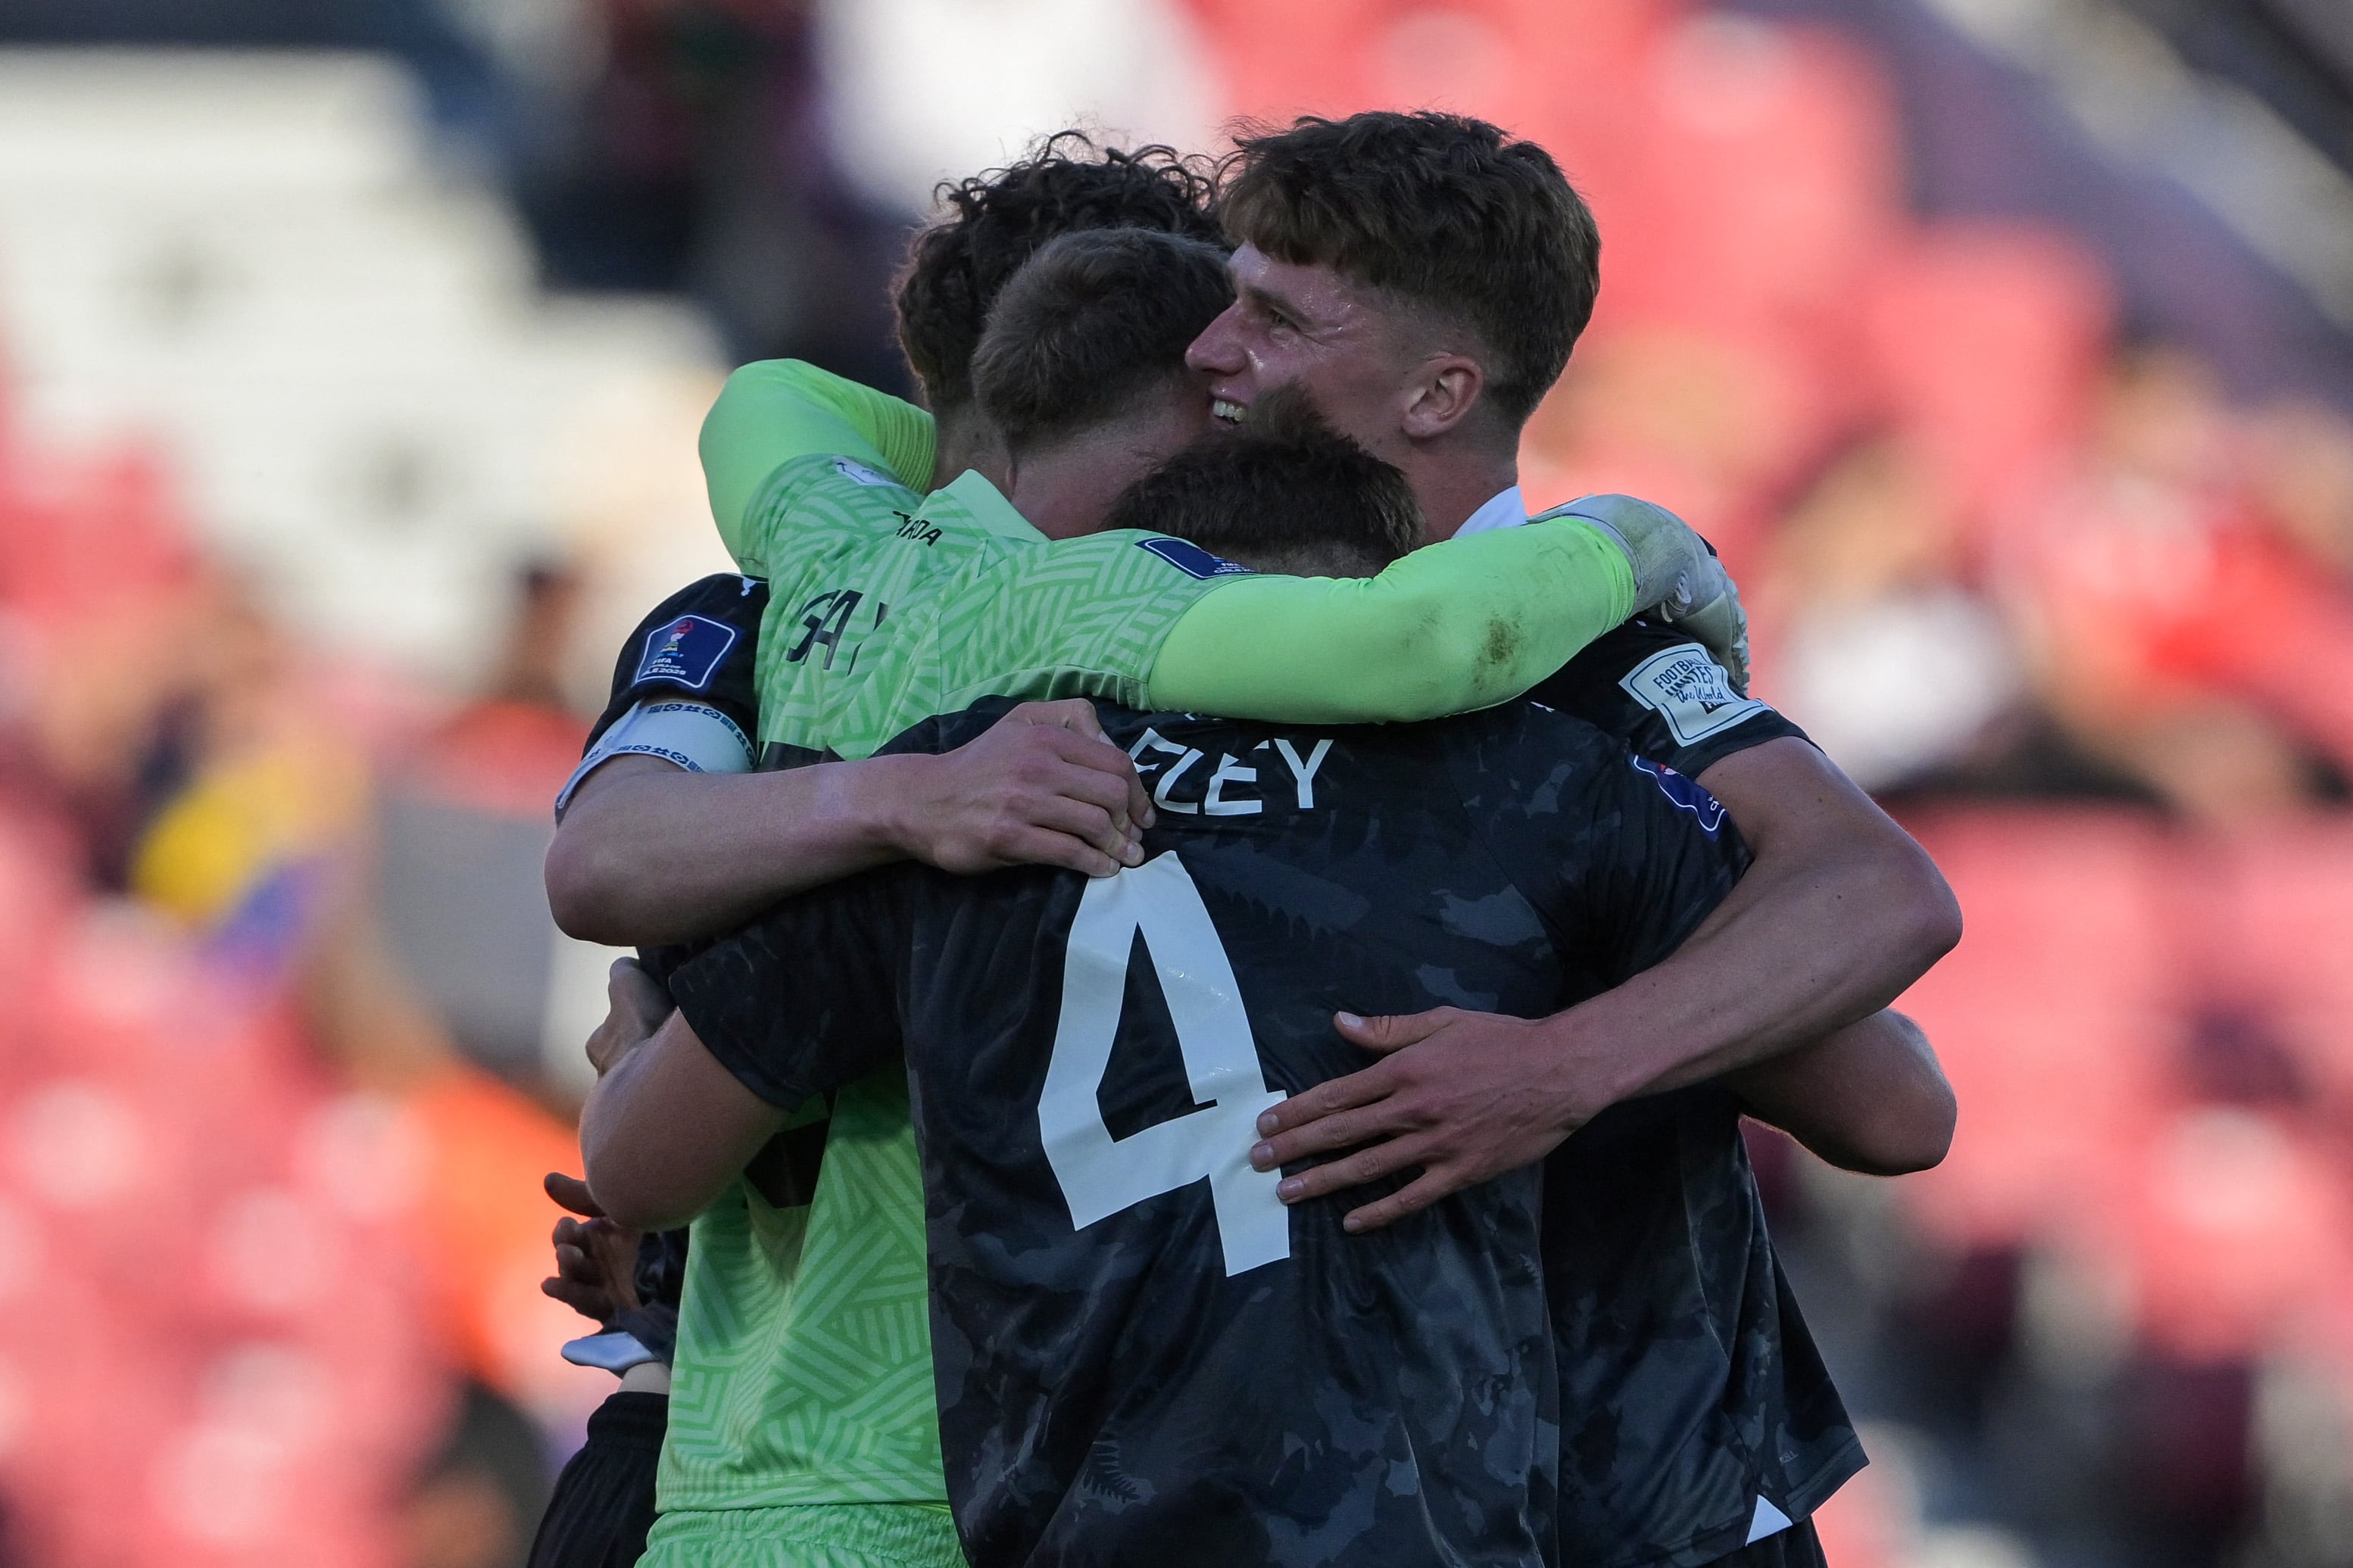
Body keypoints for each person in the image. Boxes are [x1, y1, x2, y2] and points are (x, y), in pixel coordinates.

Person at [548, 218, 1738, 1568]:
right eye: (1227, 390)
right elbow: (1418, 640)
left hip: (732, 1475)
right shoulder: (1092, 638)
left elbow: (622, 1087)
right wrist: (1639, 544)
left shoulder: (818, 558)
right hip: (992, 1480)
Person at [1179, 111, 1961, 1565]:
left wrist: (1559, 1069)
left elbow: (1893, 1057)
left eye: (1272, 321)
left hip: (1634, 1507)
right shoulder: (1151, 640)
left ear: (1440, 391)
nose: (1211, 354)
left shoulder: (1596, 667)